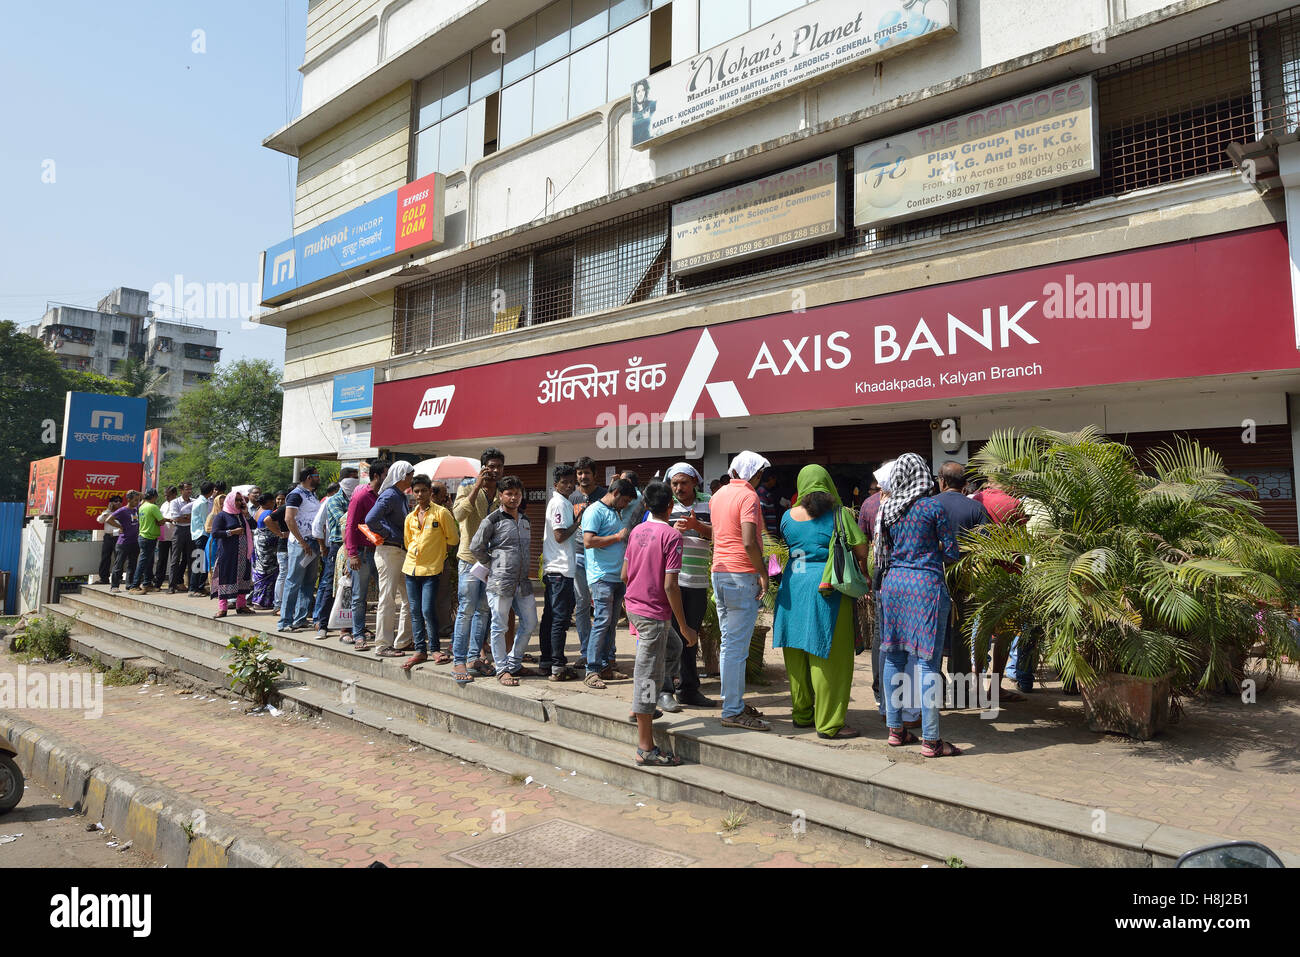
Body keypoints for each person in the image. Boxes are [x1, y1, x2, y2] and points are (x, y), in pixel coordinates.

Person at [774, 465, 871, 739]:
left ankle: (802, 715)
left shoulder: (786, 517)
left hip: (792, 588)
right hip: (826, 590)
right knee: (829, 657)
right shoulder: (839, 514)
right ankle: (829, 723)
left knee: (796, 655)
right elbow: (861, 549)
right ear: (828, 484)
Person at [877, 453, 961, 757]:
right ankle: (931, 740)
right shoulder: (931, 507)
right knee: (927, 662)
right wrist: (931, 546)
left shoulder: (889, 508)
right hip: (925, 587)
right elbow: (951, 551)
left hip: (893, 585)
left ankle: (896, 731)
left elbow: (883, 550)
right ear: (924, 475)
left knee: (893, 656)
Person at [622, 480, 695, 767]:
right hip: (653, 614)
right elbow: (671, 587)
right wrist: (685, 625)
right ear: (670, 507)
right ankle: (645, 747)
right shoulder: (671, 536)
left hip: (636, 608)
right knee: (648, 677)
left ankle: (643, 708)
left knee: (672, 647)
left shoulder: (637, 530)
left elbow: (625, 574)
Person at [711, 451, 772, 730]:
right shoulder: (748, 496)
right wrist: (763, 573)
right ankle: (732, 710)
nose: (761, 479)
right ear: (755, 474)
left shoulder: (719, 495)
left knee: (729, 645)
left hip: (720, 573)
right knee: (736, 648)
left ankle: (731, 702)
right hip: (741, 575)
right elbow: (749, 542)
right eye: (760, 474)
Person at [467, 475, 537, 684]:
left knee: (530, 621)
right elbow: (475, 547)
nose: (514, 498)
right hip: (499, 582)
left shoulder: (525, 520)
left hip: (523, 583)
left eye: (517, 494)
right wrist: (492, 564)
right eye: (509, 493)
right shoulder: (492, 520)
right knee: (499, 626)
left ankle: (514, 663)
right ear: (500, 496)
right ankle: (502, 669)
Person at [934, 461, 991, 697]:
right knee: (961, 634)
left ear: (942, 481)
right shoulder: (976, 509)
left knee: (933, 633)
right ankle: (960, 691)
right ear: (965, 484)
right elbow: (987, 546)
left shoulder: (928, 505)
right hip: (966, 579)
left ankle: (934, 690)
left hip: (935, 577)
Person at [452, 449, 505, 680]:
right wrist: (476, 487)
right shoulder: (466, 486)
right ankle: (458, 662)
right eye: (490, 466)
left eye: (498, 467)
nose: (494, 471)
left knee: (484, 611)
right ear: (483, 467)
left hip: (491, 563)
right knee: (466, 610)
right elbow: (459, 514)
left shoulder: (503, 492)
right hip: (469, 560)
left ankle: (474, 658)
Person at [665, 463, 715, 708]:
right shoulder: (666, 505)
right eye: (675, 483)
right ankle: (666, 688)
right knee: (670, 636)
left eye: (684, 483)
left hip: (697, 582)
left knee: (690, 636)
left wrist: (698, 527)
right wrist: (671, 532)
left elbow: (719, 535)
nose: (679, 488)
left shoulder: (709, 503)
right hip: (672, 581)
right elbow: (654, 533)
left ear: (695, 482)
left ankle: (688, 689)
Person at [580, 477, 637, 689]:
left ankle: (605, 667)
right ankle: (592, 670)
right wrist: (617, 537)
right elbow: (588, 541)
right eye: (624, 501)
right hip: (601, 576)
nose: (626, 505)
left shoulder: (616, 511)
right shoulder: (595, 511)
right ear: (615, 494)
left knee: (611, 624)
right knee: (602, 621)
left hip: (616, 576)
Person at [400, 473, 458, 671]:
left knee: (426, 609)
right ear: (412, 493)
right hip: (411, 568)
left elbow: (453, 539)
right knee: (415, 611)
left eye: (424, 490)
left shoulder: (441, 513)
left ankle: (434, 648)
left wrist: (438, 554)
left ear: (429, 491)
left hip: (432, 569)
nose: (420, 494)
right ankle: (420, 650)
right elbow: (408, 542)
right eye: (416, 491)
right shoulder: (410, 517)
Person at [538, 465, 583, 681]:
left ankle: (547, 661)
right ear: (555, 484)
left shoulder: (561, 502)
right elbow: (559, 535)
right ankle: (558, 666)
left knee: (550, 617)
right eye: (564, 482)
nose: (569, 485)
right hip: (560, 570)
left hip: (556, 569)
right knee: (559, 619)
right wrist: (578, 523)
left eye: (571, 481)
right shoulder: (559, 503)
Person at [367, 461, 415, 656]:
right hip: (390, 551)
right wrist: (389, 534)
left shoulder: (400, 496)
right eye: (410, 475)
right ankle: (382, 645)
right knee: (387, 599)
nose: (412, 478)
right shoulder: (390, 495)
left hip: (399, 552)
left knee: (408, 599)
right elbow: (371, 519)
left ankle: (402, 641)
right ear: (403, 475)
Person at [345, 462, 387, 650]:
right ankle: (359, 634)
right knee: (359, 597)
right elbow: (350, 525)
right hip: (361, 552)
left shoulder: (384, 496)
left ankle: (382, 635)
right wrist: (352, 553)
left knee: (384, 595)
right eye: (386, 474)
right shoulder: (361, 495)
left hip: (379, 551)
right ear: (377, 476)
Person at [569, 456, 605, 667]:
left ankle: (605, 654)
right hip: (578, 556)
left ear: (594, 475)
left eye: (587, 473)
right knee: (581, 606)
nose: (583, 477)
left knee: (602, 605)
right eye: (580, 473)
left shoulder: (605, 495)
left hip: (600, 557)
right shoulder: (571, 498)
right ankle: (586, 651)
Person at [278, 467, 323, 632]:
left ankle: (300, 618)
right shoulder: (295, 495)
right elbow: (289, 519)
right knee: (293, 581)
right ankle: (285, 621)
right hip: (300, 545)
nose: (319, 478)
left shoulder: (311, 494)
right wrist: (302, 542)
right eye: (317, 475)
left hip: (312, 543)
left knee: (308, 583)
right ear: (309, 477)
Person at [313, 478, 357, 639]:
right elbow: (346, 520)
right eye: (351, 476)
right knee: (329, 585)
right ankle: (322, 624)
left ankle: (348, 627)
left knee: (351, 588)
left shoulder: (355, 497)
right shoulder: (334, 501)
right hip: (338, 547)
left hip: (354, 546)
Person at [211, 488, 255, 617]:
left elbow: (254, 525)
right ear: (230, 501)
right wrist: (232, 532)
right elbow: (215, 533)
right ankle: (223, 608)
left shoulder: (242, 515)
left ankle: (241, 606)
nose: (239, 502)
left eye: (240, 500)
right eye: (236, 500)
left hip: (243, 554)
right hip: (228, 554)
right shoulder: (222, 516)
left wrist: (246, 514)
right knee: (225, 578)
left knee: (243, 578)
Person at [430, 482, 458, 650]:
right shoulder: (424, 512)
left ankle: (443, 627)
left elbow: (454, 536)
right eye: (444, 494)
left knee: (443, 596)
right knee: (434, 598)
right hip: (430, 562)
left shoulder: (446, 512)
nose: (446, 497)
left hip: (445, 560)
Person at [128, 489, 168, 593]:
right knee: (143, 562)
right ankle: (134, 586)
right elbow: (161, 521)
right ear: (154, 497)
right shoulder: (153, 507)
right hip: (149, 537)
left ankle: (147, 583)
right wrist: (161, 521)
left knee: (148, 562)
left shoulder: (141, 507)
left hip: (143, 536)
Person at [106, 491, 141, 592]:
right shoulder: (122, 510)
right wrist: (120, 526)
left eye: (137, 500)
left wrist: (137, 493)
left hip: (134, 541)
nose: (137, 502)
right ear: (129, 499)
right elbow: (109, 519)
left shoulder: (136, 509)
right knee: (119, 565)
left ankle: (129, 585)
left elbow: (143, 497)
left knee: (132, 564)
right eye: (135, 500)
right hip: (123, 542)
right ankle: (114, 586)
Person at [250, 492, 280, 608]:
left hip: (258, 543)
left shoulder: (258, 511)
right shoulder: (268, 512)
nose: (274, 503)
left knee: (260, 571)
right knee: (268, 572)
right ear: (268, 502)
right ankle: (264, 601)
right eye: (272, 501)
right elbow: (270, 523)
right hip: (267, 545)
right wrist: (279, 533)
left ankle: (257, 599)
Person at [167, 483, 194, 593]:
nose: (189, 491)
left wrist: (186, 517)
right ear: (181, 490)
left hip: (191, 531)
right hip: (179, 531)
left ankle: (192, 587)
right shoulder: (175, 502)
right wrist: (189, 517)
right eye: (187, 489)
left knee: (191, 558)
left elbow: (196, 516)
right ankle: (171, 586)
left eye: (190, 489)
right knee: (175, 559)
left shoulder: (194, 501)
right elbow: (176, 518)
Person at [188, 482, 215, 595]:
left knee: (201, 561)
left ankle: (199, 586)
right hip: (202, 534)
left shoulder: (199, 501)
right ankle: (194, 588)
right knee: (200, 562)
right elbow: (205, 521)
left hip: (198, 534)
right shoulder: (203, 503)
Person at [95, 495, 124, 584]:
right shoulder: (106, 512)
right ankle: (104, 578)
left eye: (120, 501)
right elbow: (99, 520)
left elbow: (122, 528)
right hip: (107, 537)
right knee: (105, 558)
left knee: (118, 558)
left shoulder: (122, 513)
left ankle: (118, 578)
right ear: (111, 503)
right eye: (115, 501)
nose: (118, 502)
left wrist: (114, 533)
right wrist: (108, 510)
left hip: (118, 537)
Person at [154, 486, 178, 587]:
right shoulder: (163, 505)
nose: (166, 497)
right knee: (161, 560)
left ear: (174, 495)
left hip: (175, 537)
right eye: (165, 495)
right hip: (164, 537)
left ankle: (173, 584)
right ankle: (158, 582)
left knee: (174, 561)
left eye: (168, 495)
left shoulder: (178, 504)